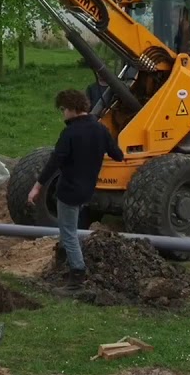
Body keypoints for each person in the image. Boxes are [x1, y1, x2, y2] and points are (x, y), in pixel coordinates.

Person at [27, 88, 124, 283]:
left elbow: (55, 161)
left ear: (72, 108)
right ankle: (63, 262)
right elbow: (117, 155)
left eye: (63, 109)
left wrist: (37, 186)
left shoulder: (70, 133)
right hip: (88, 190)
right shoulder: (100, 129)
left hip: (69, 191)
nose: (63, 113)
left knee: (68, 232)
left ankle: (77, 273)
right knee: (73, 226)